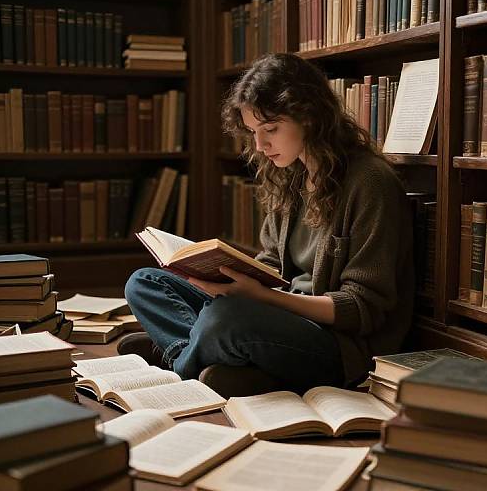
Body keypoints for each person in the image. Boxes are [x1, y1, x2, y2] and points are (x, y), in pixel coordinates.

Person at [120, 53, 414, 395]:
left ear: (310, 116)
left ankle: (181, 363)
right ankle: (217, 359)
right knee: (145, 282)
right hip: (279, 317)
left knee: (227, 320)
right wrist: (225, 278)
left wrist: (259, 297)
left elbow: (362, 310)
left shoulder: (371, 183)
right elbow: (272, 264)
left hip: (339, 345)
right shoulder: (290, 176)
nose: (260, 146)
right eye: (253, 132)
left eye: (271, 129)